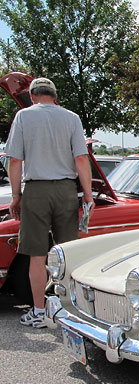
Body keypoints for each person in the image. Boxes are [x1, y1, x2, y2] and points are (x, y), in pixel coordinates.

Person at [5, 77, 94, 328]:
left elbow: (14, 161)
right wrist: (87, 195)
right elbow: (80, 159)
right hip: (66, 190)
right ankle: (69, 310)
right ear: (55, 96)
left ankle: (40, 311)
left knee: (37, 254)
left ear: (32, 96)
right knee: (68, 253)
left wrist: (15, 196)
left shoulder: (24, 117)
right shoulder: (71, 118)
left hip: (35, 190)